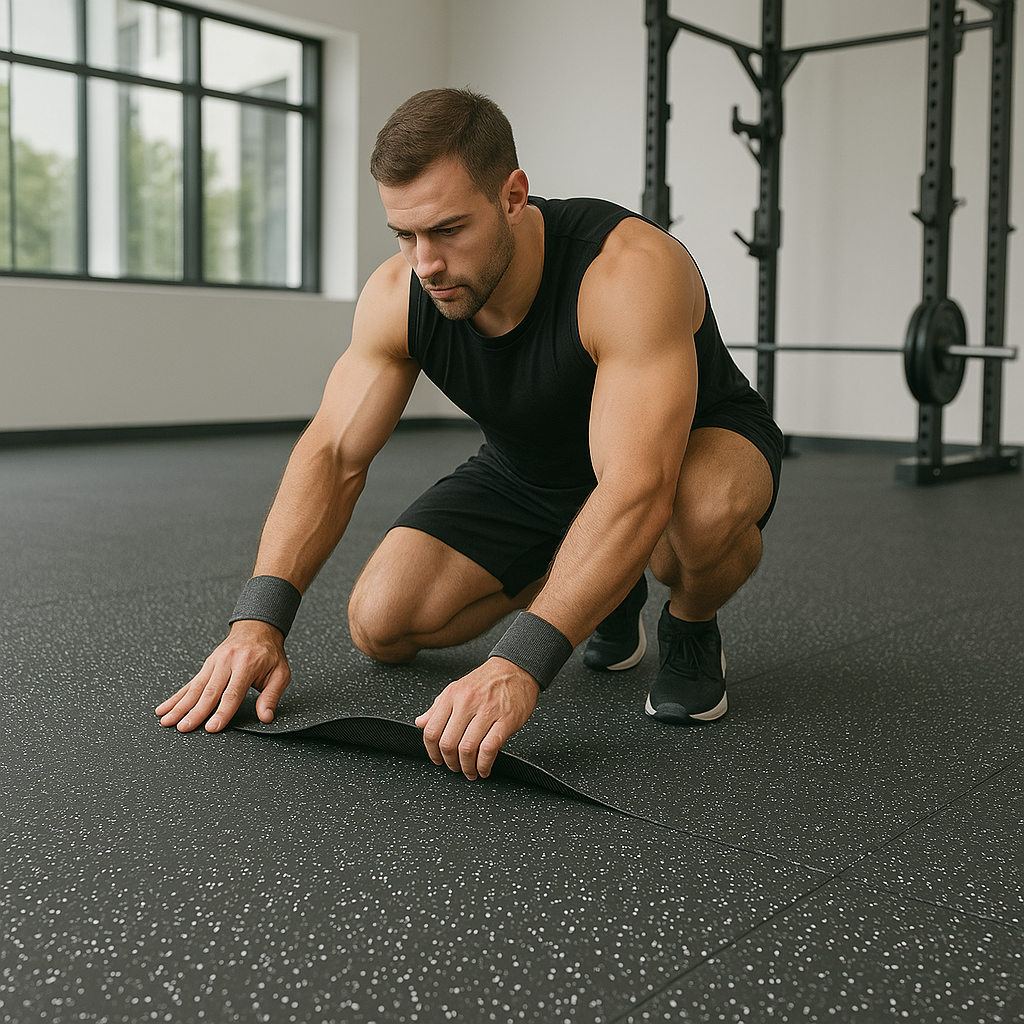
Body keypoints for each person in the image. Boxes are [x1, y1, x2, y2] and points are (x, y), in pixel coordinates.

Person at [156, 88, 783, 782]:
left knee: (696, 516)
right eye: (405, 234)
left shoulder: (627, 271)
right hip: (531, 470)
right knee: (382, 622)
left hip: (690, 447)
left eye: (449, 229)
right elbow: (333, 453)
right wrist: (258, 623)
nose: (425, 262)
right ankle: (609, 585)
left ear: (513, 196)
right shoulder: (401, 294)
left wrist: (518, 664)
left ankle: (690, 623)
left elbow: (639, 485)